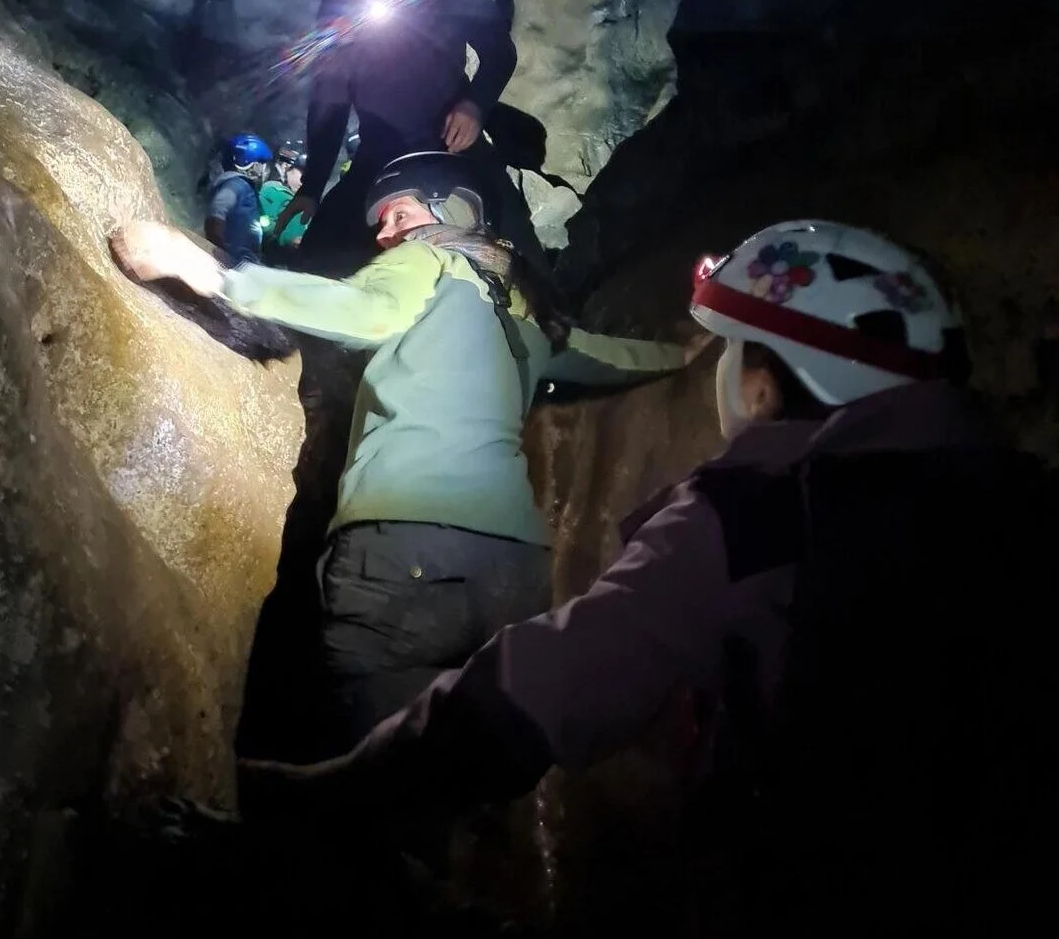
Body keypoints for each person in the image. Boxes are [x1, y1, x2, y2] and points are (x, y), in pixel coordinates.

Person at [228, 219, 1059, 933]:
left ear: (764, 385)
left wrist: (325, 791)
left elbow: (546, 687)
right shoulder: (1023, 495)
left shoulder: (757, 510)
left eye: (734, 358)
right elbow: (593, 353)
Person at [109, 151, 700, 755]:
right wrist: (690, 355)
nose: (385, 234)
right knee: (461, 769)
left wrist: (217, 276)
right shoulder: (528, 315)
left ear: (451, 212)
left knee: (370, 771)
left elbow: (366, 312)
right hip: (515, 570)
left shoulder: (431, 259)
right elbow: (609, 356)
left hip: (407, 546)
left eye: (398, 214)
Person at [276, 0, 544, 277]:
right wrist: (311, 187)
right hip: (380, 150)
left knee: (518, 250)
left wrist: (475, 105)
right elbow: (330, 98)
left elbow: (498, 49)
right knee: (321, 256)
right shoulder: (338, 3)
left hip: (452, 138)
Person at [203, 133, 272, 263]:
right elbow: (216, 212)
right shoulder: (237, 184)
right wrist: (219, 249)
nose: (266, 171)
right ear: (254, 165)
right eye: (263, 165)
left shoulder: (242, 186)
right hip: (235, 262)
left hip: (241, 261)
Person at [257, 140, 309, 253]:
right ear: (286, 167)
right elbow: (261, 222)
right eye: (303, 174)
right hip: (270, 261)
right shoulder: (272, 191)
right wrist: (287, 240)